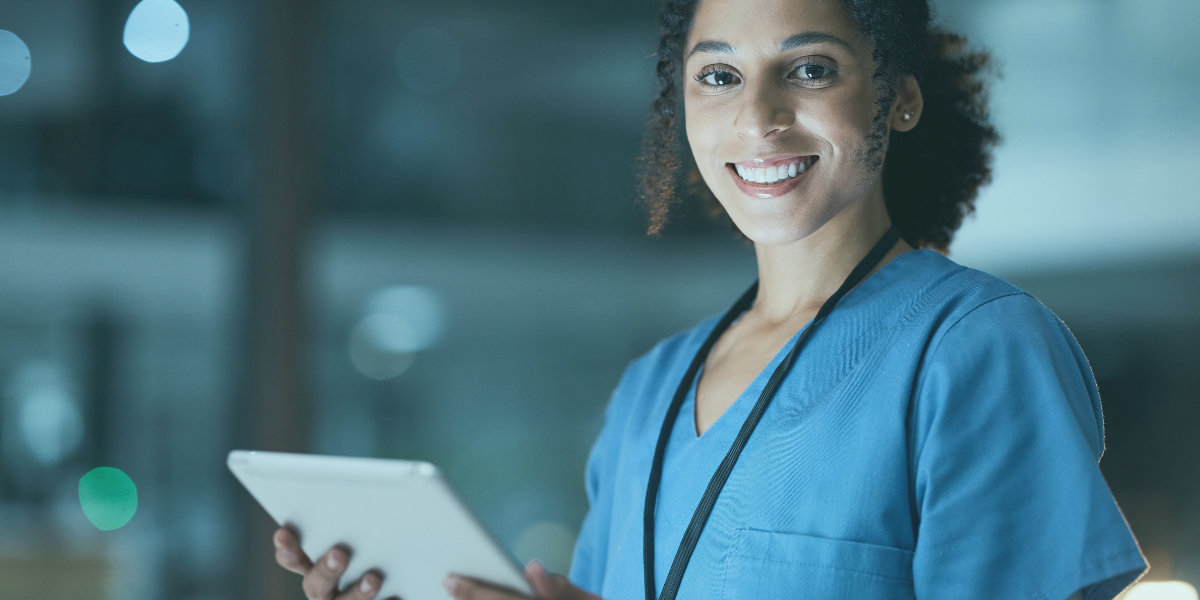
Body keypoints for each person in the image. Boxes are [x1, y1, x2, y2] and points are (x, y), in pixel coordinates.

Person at [273, 0, 1149, 597]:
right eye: (718, 77)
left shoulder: (978, 352)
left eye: (809, 70)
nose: (758, 119)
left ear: (901, 99)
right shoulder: (649, 391)